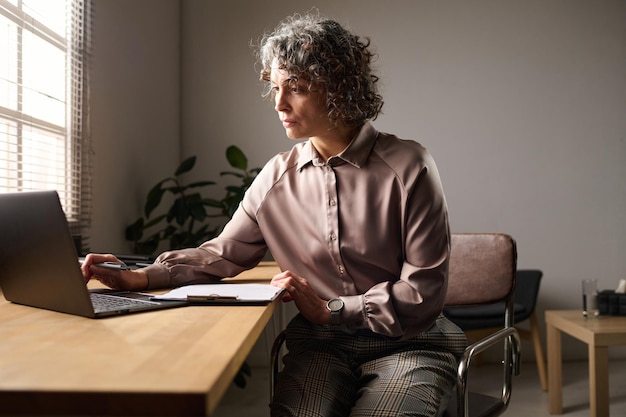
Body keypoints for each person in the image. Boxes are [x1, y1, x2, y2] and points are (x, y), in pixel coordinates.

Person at [82, 11, 466, 417]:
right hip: (321, 346)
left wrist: (331, 309)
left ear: (340, 89)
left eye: (296, 88)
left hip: (409, 344)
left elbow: (423, 293)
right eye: (275, 87)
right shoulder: (276, 176)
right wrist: (138, 276)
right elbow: (224, 253)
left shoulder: (409, 166)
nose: (279, 103)